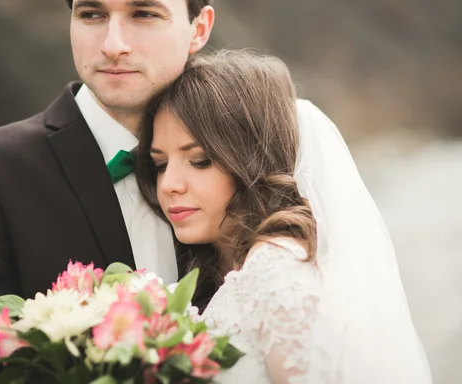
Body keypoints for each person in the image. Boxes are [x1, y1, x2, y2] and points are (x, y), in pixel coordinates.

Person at [0, 0, 216, 382]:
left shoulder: (242, 163)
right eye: (91, 14)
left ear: (199, 29)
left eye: (143, 14)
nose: (113, 45)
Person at [136, 50, 433, 383]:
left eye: (201, 161)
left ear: (252, 161)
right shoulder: (217, 268)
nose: (169, 185)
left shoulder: (277, 272)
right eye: (161, 165)